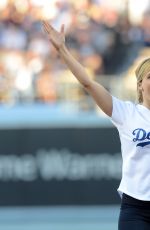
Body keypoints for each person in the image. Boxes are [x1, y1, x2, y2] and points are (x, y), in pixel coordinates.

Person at [42, 21, 150, 230]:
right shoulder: (127, 113)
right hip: (136, 209)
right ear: (139, 84)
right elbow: (88, 84)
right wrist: (62, 50)